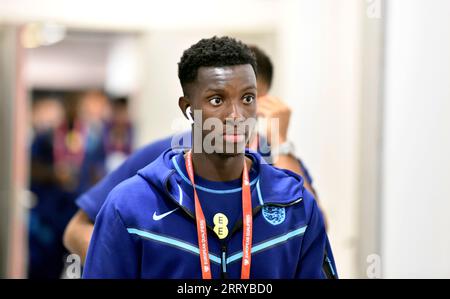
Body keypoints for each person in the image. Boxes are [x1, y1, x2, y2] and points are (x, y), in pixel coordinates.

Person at [82, 36, 336, 279]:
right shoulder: (129, 204)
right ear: (187, 108)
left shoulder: (295, 202)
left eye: (248, 98)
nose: (236, 115)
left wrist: (281, 143)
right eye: (217, 99)